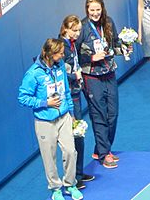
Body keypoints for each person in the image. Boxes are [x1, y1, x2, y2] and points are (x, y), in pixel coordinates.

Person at [18, 38, 83, 200]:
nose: (62, 55)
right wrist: (45, 103)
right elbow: (22, 97)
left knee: (70, 151)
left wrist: (71, 113)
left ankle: (70, 184)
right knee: (50, 157)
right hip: (45, 122)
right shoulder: (34, 74)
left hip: (64, 118)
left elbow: (66, 91)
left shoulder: (60, 66)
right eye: (60, 53)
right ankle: (55, 189)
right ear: (49, 53)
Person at [76, 0, 126, 169]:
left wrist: (125, 46)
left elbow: (115, 45)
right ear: (87, 10)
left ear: (102, 8)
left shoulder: (109, 22)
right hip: (91, 77)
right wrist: (91, 57)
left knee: (113, 114)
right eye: (92, 10)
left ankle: (100, 149)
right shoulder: (81, 28)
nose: (95, 13)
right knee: (99, 115)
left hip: (109, 73)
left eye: (98, 10)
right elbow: (72, 55)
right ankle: (105, 154)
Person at [59, 15, 95, 189]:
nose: (78, 33)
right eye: (75, 30)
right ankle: (73, 178)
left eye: (80, 30)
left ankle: (78, 174)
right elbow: (59, 73)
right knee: (73, 137)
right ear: (65, 29)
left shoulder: (71, 45)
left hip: (76, 93)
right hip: (69, 98)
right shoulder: (62, 48)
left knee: (78, 135)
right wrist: (75, 75)